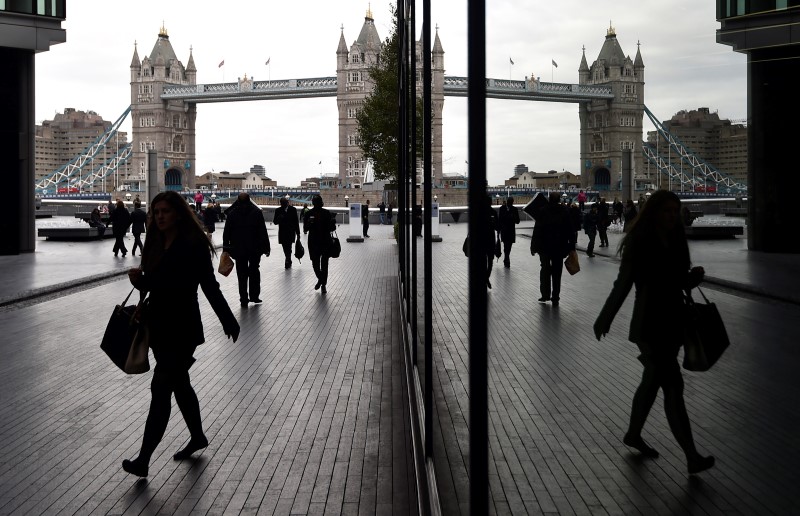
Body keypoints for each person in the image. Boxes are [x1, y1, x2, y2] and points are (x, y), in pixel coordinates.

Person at [593, 190, 714, 475]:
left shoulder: (676, 239)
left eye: (676, 211)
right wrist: (605, 317)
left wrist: (690, 280)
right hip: (649, 324)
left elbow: (675, 281)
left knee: (651, 384)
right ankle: (691, 456)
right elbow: (623, 284)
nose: (672, 216)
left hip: (673, 321)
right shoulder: (639, 241)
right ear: (654, 212)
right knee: (673, 387)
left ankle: (633, 434)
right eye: (667, 211)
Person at [122, 191, 240, 478]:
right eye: (155, 211)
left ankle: (144, 459)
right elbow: (155, 283)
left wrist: (228, 320)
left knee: (160, 389)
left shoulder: (194, 244)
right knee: (180, 385)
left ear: (178, 213)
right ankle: (197, 436)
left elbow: (209, 286)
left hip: (183, 328)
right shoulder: (154, 241)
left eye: (164, 211)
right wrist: (141, 282)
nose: (159, 216)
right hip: (159, 327)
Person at [222, 193, 271, 307]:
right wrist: (266, 248)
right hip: (255, 248)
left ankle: (243, 298)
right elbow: (262, 231)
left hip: (238, 249)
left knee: (241, 273)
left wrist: (226, 248)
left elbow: (226, 232)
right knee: (254, 270)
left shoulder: (232, 214)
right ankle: (254, 296)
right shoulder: (256, 212)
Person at [531, 192, 575, 306]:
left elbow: (537, 230)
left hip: (544, 247)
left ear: (549, 199)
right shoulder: (564, 211)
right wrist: (572, 247)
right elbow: (570, 230)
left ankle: (545, 294)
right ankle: (555, 297)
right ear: (559, 199)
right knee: (557, 273)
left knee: (545, 270)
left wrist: (533, 246)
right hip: (559, 248)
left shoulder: (542, 211)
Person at [303, 194, 336, 294]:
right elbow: (305, 228)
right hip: (321, 241)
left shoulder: (324, 213)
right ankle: (322, 281)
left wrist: (332, 222)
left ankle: (322, 283)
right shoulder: (310, 214)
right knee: (321, 264)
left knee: (317, 263)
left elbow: (332, 228)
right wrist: (309, 222)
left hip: (317, 241)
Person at [273, 197, 301, 269]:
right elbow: (275, 222)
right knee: (285, 247)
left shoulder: (293, 210)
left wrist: (298, 233)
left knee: (288, 246)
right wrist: (279, 218)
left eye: (285, 203)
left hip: (291, 232)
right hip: (282, 232)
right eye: (282, 204)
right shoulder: (278, 210)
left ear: (287, 203)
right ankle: (288, 258)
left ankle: (287, 259)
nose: (284, 205)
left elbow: (296, 222)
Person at [497, 196, 520, 268]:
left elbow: (518, 221)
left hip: (510, 231)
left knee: (508, 246)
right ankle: (507, 259)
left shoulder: (514, 209)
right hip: (504, 230)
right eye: (509, 202)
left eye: (511, 202)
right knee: (506, 245)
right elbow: (500, 220)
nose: (510, 203)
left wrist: (513, 217)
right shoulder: (502, 208)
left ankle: (506, 258)